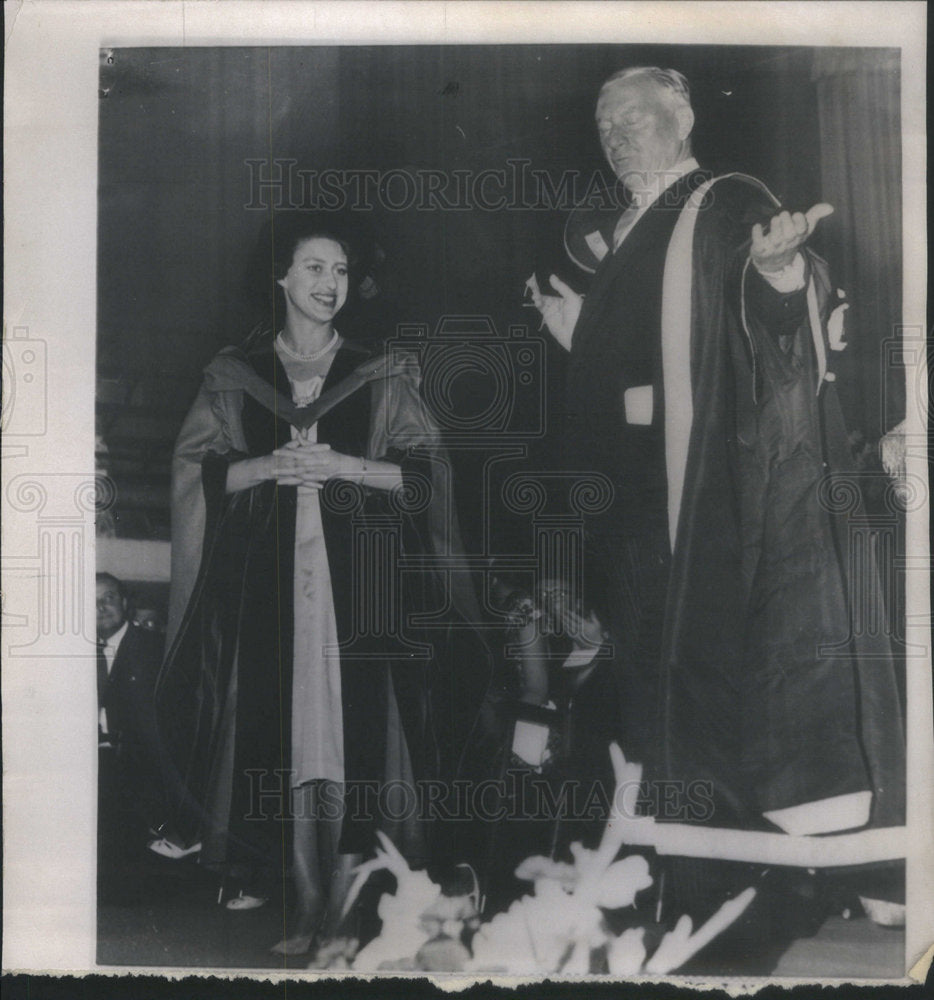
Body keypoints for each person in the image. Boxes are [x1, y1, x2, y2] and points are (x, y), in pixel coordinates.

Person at [528, 66, 905, 963]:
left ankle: (742, 893)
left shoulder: (729, 200)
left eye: (634, 118)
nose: (617, 135)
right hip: (634, 517)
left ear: (681, 117)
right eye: (603, 122)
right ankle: (681, 888)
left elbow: (776, 314)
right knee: (652, 714)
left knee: (717, 703)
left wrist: (779, 276)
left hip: (711, 509)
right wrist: (581, 334)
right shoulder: (620, 234)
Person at [156, 215, 487, 956]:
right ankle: (304, 906)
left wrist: (345, 467)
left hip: (360, 593)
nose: (328, 284)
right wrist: (269, 466)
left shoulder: (382, 371)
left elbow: (428, 478)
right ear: (280, 277)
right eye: (312, 268)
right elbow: (196, 472)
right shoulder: (232, 375)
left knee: (351, 743)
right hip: (272, 593)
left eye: (339, 270)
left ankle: (343, 915)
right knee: (288, 738)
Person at [96, 572, 166, 897]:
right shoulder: (74, 650)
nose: (101, 607)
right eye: (92, 601)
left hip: (137, 756)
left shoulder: (152, 647)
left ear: (124, 603)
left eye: (108, 597)